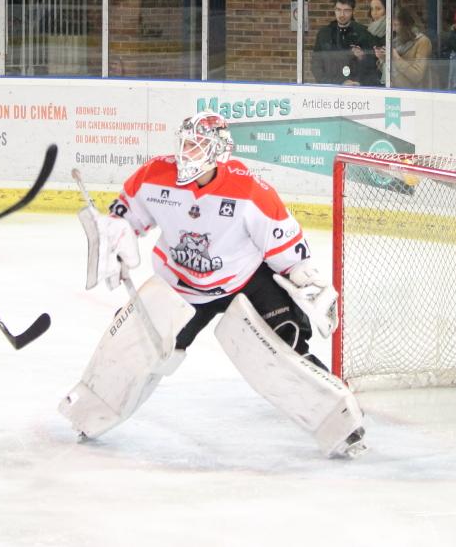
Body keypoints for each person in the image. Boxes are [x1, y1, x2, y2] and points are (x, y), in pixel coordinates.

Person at [62, 111, 365, 459]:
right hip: (180, 286)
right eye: (185, 143)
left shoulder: (249, 190)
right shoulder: (154, 175)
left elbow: (288, 250)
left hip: (245, 281)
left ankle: (340, 421)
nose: (186, 152)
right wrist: (115, 235)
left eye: (197, 145)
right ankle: (91, 412)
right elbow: (123, 218)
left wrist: (307, 282)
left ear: (218, 151)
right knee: (139, 348)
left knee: (286, 342)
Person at [311, 0, 376, 86]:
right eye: (338, 10)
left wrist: (362, 58)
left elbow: (372, 64)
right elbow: (316, 64)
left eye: (346, 10)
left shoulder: (363, 33)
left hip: (356, 87)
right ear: (334, 10)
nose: (342, 14)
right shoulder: (324, 34)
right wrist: (334, 83)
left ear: (353, 11)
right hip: (331, 87)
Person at [375, 6, 431, 89]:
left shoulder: (422, 41)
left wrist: (396, 57)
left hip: (414, 91)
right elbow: (387, 72)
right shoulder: (396, 40)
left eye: (396, 25)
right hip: (394, 88)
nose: (393, 29)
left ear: (406, 25)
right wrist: (383, 58)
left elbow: (417, 76)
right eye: (391, 25)